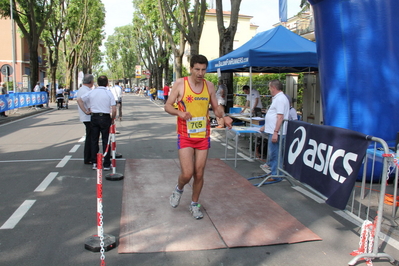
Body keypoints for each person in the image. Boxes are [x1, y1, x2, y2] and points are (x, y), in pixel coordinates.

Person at [164, 54, 233, 220]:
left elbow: (216, 108)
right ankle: (179, 189)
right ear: (191, 68)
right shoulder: (181, 83)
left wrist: (224, 116)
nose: (200, 73)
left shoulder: (209, 86)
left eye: (203, 70)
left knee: (199, 174)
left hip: (203, 135)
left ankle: (194, 204)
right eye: (197, 69)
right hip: (185, 134)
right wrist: (180, 113)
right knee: (187, 174)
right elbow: (167, 105)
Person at [77, 75, 116, 171]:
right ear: (107, 83)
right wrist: (113, 118)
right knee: (106, 140)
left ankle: (95, 162)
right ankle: (106, 164)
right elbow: (114, 109)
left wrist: (85, 111)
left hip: (94, 117)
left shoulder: (92, 92)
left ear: (97, 83)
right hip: (105, 117)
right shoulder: (108, 93)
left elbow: (79, 100)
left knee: (94, 140)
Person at [259, 80, 289, 176]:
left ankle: (276, 174)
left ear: (273, 88)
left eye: (269, 87)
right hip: (274, 130)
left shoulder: (280, 99)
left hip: (276, 132)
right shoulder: (278, 98)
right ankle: (275, 172)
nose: (269, 90)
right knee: (275, 154)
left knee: (275, 154)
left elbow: (280, 117)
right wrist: (266, 126)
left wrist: (276, 132)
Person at [77, 74, 94, 165]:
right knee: (90, 137)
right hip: (88, 117)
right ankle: (89, 157)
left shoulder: (83, 89)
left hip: (87, 116)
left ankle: (90, 156)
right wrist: (86, 111)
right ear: (90, 82)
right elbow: (80, 101)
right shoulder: (85, 90)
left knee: (90, 137)